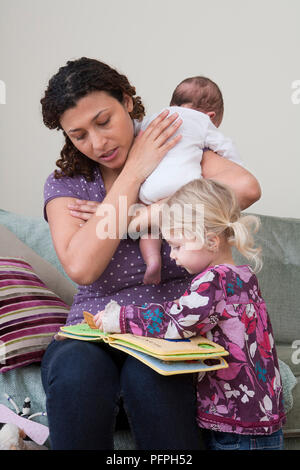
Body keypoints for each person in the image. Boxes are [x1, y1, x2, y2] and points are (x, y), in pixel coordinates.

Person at [40, 57, 261, 450]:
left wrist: (140, 215)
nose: (98, 143)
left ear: (127, 101)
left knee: (154, 376)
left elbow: (244, 188)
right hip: (96, 327)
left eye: (104, 121)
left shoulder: (173, 145)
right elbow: (82, 267)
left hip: (175, 324)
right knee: (75, 371)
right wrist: (133, 173)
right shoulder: (67, 183)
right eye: (79, 135)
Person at [94, 178, 286, 451]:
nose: (172, 255)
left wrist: (121, 318)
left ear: (210, 241)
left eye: (177, 245)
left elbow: (175, 321)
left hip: (235, 423)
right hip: (261, 417)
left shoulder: (213, 281)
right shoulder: (244, 277)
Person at [136, 76, 241, 285]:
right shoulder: (202, 121)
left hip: (149, 189)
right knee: (190, 221)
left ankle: (153, 260)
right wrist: (236, 165)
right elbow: (224, 146)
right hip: (184, 186)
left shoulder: (156, 118)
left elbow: (135, 134)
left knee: (150, 227)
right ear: (211, 116)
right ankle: (188, 250)